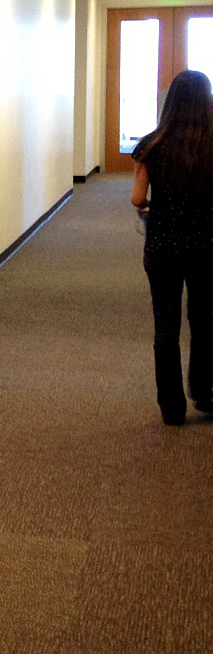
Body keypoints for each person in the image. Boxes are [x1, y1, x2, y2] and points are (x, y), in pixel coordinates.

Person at [130, 68, 213, 425]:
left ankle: (171, 406)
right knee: (204, 320)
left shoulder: (151, 145)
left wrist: (158, 203)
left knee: (165, 325)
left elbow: (137, 198)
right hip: (206, 247)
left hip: (163, 244)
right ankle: (205, 392)